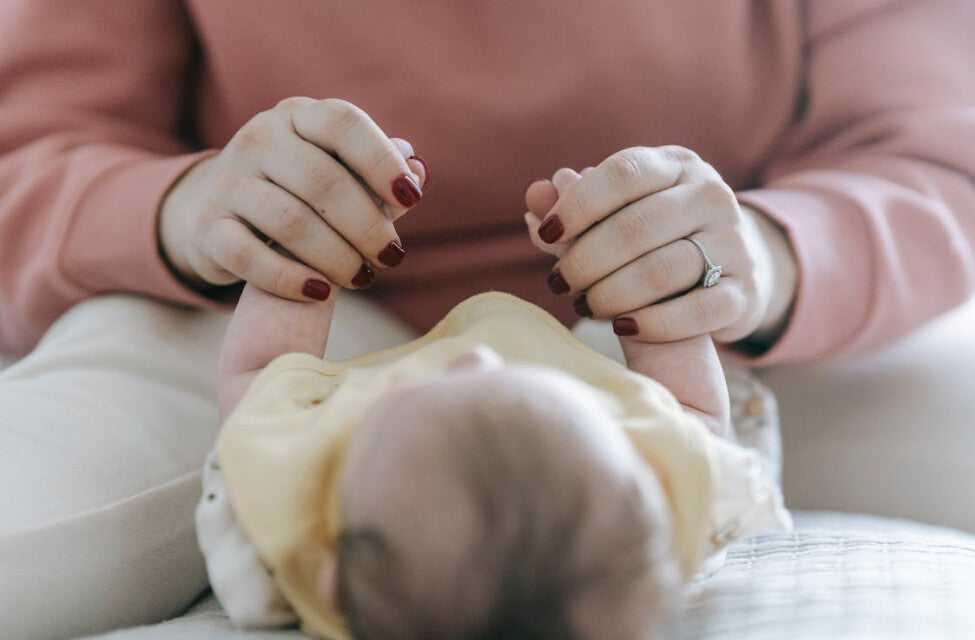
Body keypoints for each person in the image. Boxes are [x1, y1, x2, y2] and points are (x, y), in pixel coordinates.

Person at [1, 1, 973, 638]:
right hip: (267, 304)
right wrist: (195, 211)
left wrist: (759, 257)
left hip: (753, 324)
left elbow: (940, 162)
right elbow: (29, 160)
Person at [197, 280, 790, 640]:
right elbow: (693, 418)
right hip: (590, 378)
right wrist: (655, 307)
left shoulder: (279, 541)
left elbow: (261, 377)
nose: (476, 356)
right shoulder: (644, 534)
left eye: (411, 396)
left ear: (335, 584)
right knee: (660, 399)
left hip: (365, 341)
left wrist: (304, 266)